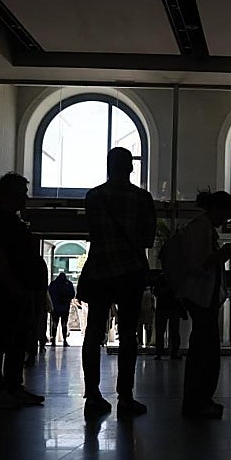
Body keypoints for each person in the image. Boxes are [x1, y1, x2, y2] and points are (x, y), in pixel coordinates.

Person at [81, 148, 157, 417]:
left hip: (100, 271)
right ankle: (125, 396)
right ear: (131, 168)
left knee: (93, 333)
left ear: (108, 166)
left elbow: (92, 233)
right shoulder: (142, 198)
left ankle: (92, 394)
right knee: (128, 335)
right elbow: (148, 239)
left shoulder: (94, 196)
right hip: (130, 273)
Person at [0, 172, 44, 410]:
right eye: (23, 194)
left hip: (16, 289)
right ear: (12, 194)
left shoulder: (9, 220)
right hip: (5, 291)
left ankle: (12, 387)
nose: (26, 198)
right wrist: (13, 285)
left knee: (16, 340)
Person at [176, 191, 231, 419]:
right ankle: (198, 401)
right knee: (204, 352)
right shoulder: (199, 229)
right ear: (217, 210)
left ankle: (201, 400)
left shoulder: (203, 228)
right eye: (226, 217)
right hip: (200, 298)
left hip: (204, 297)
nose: (225, 223)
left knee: (204, 350)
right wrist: (223, 254)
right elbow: (198, 264)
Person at [152, 272, 183, 359]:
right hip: (173, 307)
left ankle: (159, 352)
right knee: (174, 331)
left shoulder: (160, 278)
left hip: (163, 307)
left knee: (161, 331)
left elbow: (156, 292)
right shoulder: (176, 279)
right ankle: (174, 352)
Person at [47, 271, 75, 345]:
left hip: (55, 308)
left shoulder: (53, 284)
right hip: (65, 308)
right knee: (64, 324)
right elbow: (72, 294)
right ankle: (65, 340)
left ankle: (53, 340)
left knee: (54, 323)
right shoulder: (68, 284)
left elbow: (49, 294)